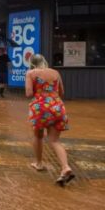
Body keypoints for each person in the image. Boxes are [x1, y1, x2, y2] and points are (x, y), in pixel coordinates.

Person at [26, 54, 74, 186]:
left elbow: (29, 93)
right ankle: (65, 167)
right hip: (57, 106)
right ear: (44, 62)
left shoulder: (31, 73)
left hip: (40, 108)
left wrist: (39, 92)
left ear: (32, 63)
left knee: (38, 136)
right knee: (54, 140)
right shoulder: (55, 72)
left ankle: (39, 163)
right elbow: (61, 92)